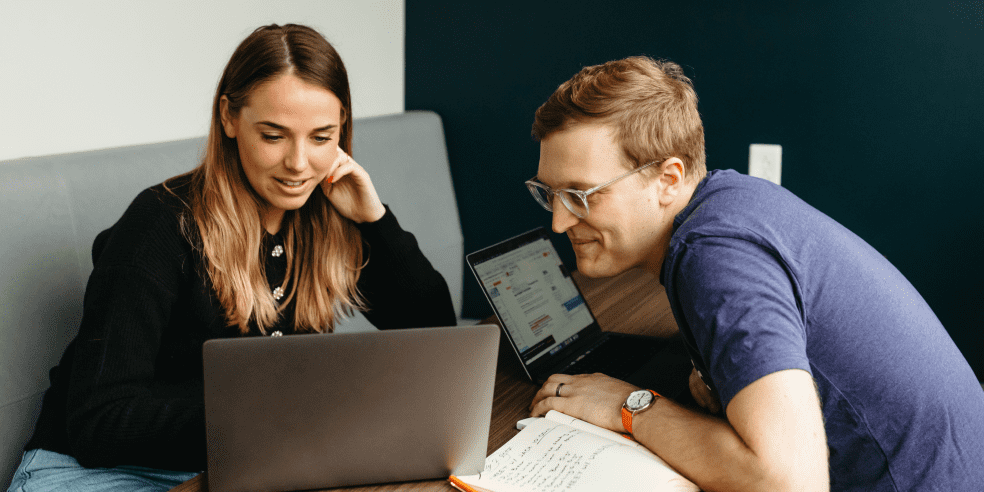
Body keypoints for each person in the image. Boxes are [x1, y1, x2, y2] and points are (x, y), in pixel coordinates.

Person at [7, 24, 455, 492]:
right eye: (274, 135)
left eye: (322, 137)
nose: (299, 164)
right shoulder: (159, 226)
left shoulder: (322, 217)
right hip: (88, 472)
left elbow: (437, 334)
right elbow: (97, 421)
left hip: (232, 467)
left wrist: (374, 221)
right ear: (229, 118)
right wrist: (274, 414)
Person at [525, 56, 984, 491]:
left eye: (582, 195)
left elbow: (787, 482)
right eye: (550, 194)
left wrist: (628, 406)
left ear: (667, 179)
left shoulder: (715, 258)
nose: (560, 222)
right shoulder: (733, 200)